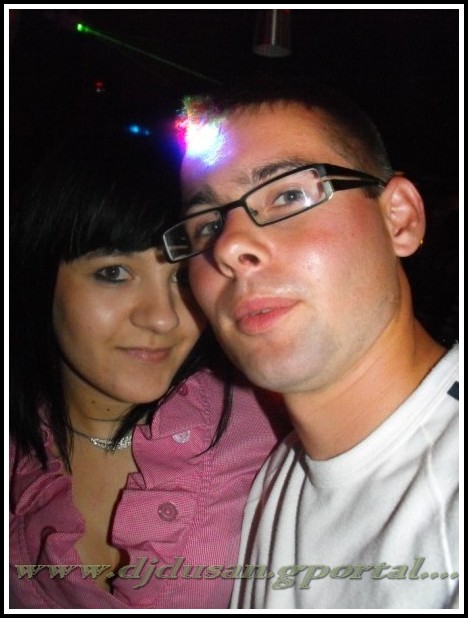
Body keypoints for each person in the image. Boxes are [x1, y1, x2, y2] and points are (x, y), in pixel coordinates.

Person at [162, 79, 459, 609]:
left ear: (400, 219)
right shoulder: (278, 480)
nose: (228, 247)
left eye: (289, 195)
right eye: (206, 225)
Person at [9, 130, 287, 609]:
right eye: (114, 273)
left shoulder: (271, 424)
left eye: (183, 276)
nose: (162, 318)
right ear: (39, 278)